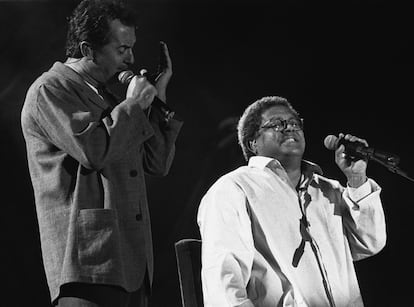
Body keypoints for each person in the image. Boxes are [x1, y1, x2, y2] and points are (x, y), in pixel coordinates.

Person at [21, 0, 183, 306]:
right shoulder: (51, 90)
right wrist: (133, 106)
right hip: (89, 266)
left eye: (132, 48)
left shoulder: (110, 98)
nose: (131, 58)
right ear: (87, 49)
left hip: (131, 263)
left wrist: (157, 99)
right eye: (122, 49)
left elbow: (157, 163)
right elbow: (93, 150)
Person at [197, 96, 386, 307]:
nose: (290, 128)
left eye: (295, 123)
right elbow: (224, 284)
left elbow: (368, 242)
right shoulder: (235, 188)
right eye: (277, 124)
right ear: (253, 143)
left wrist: (357, 178)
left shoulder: (328, 189)